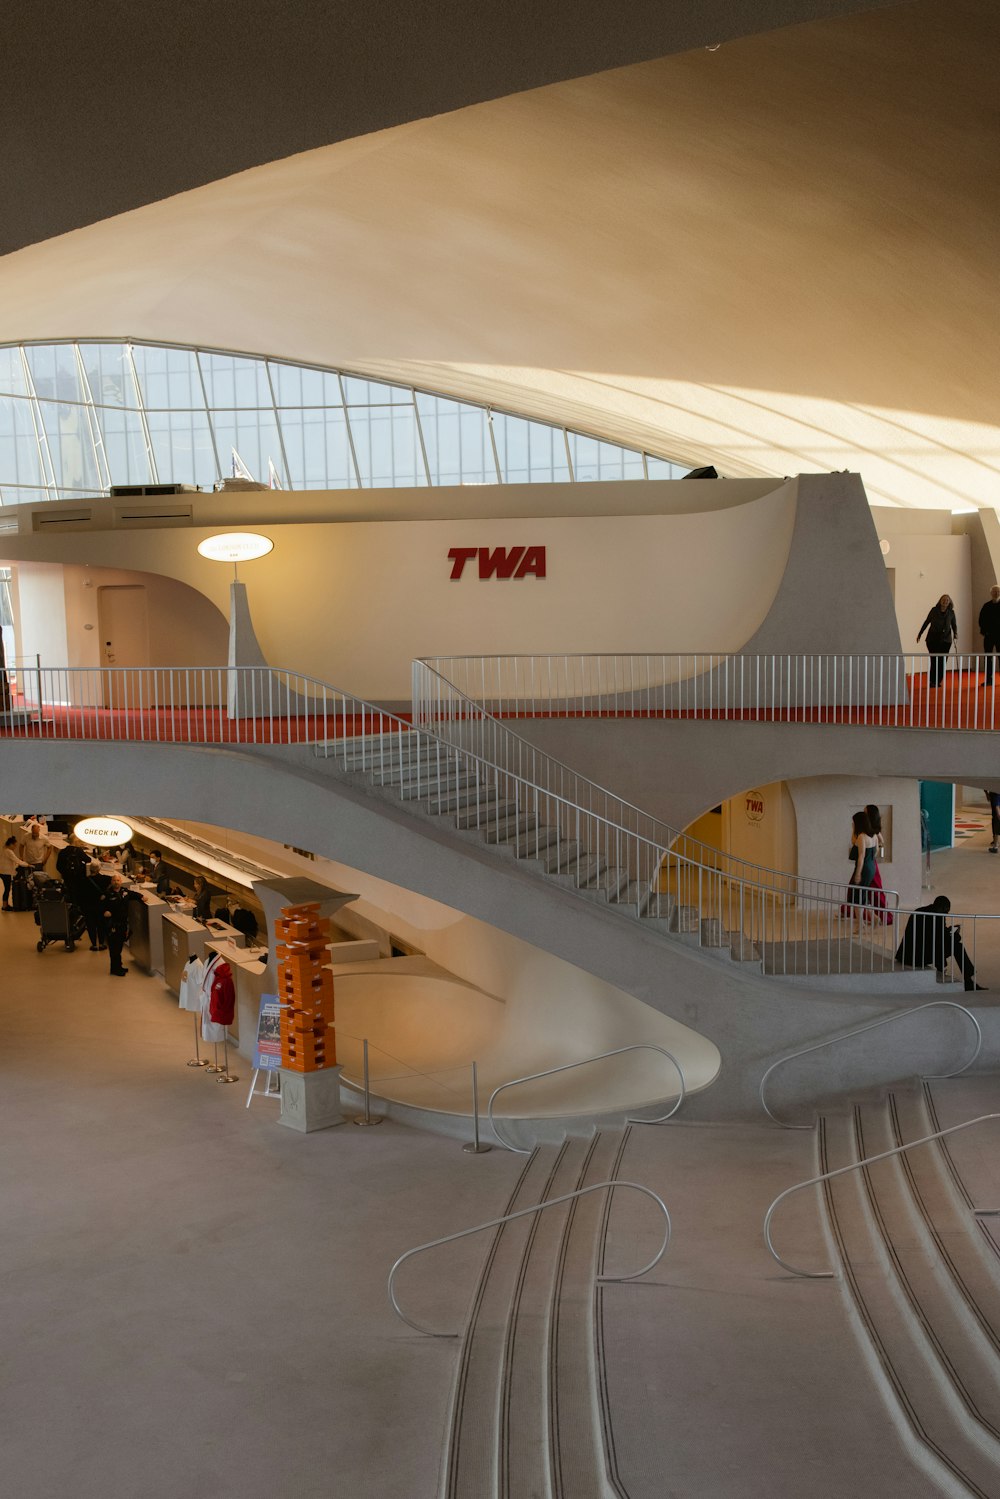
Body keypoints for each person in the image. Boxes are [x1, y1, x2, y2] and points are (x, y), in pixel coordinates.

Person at [895, 895, 986, 991]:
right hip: (916, 956)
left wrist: (949, 931)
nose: (946, 914)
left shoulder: (923, 911)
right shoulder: (936, 916)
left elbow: (938, 934)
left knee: (947, 944)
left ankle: (946, 971)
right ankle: (967, 980)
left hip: (910, 953)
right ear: (940, 908)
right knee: (956, 946)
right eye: (946, 911)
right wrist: (955, 935)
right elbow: (939, 938)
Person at [916, 594, 957, 688]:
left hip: (946, 640)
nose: (945, 601)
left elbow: (954, 625)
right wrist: (920, 634)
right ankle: (932, 681)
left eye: (947, 600)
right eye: (943, 599)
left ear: (949, 602)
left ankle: (938, 680)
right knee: (934, 660)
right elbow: (927, 622)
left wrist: (955, 634)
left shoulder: (951, 612)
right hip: (932, 639)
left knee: (942, 661)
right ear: (940, 601)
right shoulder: (934, 610)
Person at [846, 808, 877, 929]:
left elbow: (861, 856)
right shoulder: (873, 835)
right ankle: (873, 918)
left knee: (856, 897)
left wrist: (858, 873)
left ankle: (860, 924)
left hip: (863, 868)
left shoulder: (862, 837)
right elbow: (877, 851)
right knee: (862, 894)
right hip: (871, 866)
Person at [863, 803, 892, 924]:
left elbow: (881, 840)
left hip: (869, 863)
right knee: (859, 889)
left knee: (875, 889)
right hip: (870, 862)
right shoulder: (870, 829)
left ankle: (884, 916)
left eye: (865, 813)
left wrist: (876, 850)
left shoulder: (870, 830)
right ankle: (849, 910)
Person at [101, 873, 132, 977]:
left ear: (121, 882)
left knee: (119, 947)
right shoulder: (107, 894)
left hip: (122, 924)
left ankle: (119, 965)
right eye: (114, 881)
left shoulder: (125, 892)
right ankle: (115, 969)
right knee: (114, 948)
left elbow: (134, 895)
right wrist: (105, 912)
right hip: (113, 925)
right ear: (111, 882)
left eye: (118, 880)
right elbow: (100, 907)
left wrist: (142, 896)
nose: (116, 882)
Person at [979, 585, 1000, 689]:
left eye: (998, 591)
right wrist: (985, 632)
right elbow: (981, 620)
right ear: (991, 593)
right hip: (989, 636)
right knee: (988, 658)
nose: (996, 593)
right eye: (994, 591)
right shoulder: (986, 606)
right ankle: (989, 680)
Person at [0, 834, 27, 909]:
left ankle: (5, 904)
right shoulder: (9, 851)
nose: (15, 847)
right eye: (15, 845)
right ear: (11, 844)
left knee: (7, 888)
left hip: (2, 872)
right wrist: (27, 865)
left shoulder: (4, 849)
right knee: (7, 889)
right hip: (6, 873)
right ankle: (5, 906)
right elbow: (17, 860)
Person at [987, 790, 1000, 854]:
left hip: (997, 815)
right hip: (996, 814)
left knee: (996, 829)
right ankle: (995, 845)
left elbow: (997, 806)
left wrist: (999, 816)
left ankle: (995, 846)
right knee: (996, 830)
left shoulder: (995, 793)